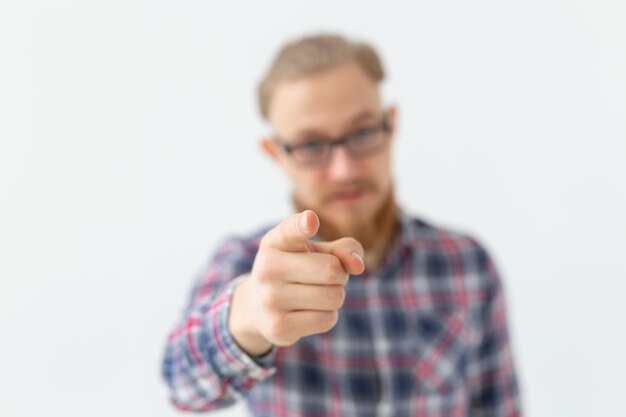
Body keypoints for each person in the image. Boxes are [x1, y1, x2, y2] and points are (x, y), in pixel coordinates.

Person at [162, 33, 522, 417]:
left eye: (363, 133)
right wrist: (249, 312)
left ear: (391, 125)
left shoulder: (467, 265)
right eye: (311, 145)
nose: (344, 169)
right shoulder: (243, 262)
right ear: (276, 154)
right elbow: (183, 388)